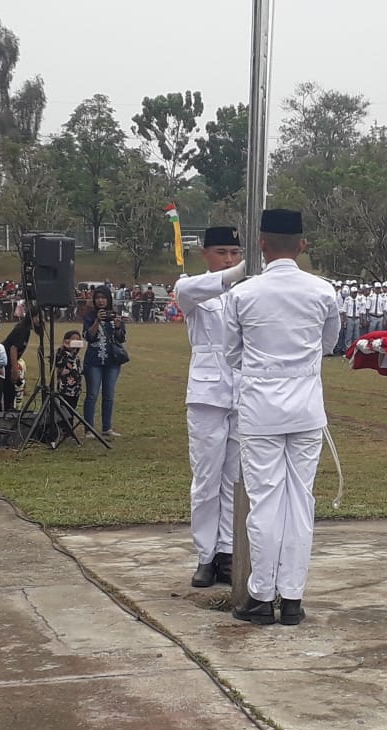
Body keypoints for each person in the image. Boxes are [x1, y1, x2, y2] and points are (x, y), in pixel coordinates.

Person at [223, 209, 340, 625]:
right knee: (300, 501)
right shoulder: (323, 292)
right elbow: (329, 343)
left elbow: (231, 353)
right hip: (306, 407)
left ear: (262, 244)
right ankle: (292, 597)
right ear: (302, 245)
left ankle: (261, 594)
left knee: (266, 503)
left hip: (261, 410)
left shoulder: (243, 294)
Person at [174, 226, 247, 588]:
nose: (230, 259)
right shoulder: (191, 287)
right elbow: (189, 292)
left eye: (235, 252)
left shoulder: (248, 292)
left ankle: (227, 550)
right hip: (206, 393)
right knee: (206, 477)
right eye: (222, 252)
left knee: (234, 477)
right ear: (205, 254)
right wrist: (243, 270)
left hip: (243, 390)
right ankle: (205, 554)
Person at [82, 285, 127, 439]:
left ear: (108, 299)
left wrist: (119, 326)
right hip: (93, 360)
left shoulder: (114, 315)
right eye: (98, 298)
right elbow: (88, 336)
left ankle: (107, 428)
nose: (101, 301)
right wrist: (97, 321)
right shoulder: (89, 316)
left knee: (109, 395)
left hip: (112, 361)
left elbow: (121, 339)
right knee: (92, 394)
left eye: (103, 298)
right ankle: (88, 428)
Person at [1, 306, 42, 413]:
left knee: (11, 387)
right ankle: (6, 410)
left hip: (9, 361)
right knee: (8, 387)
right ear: (31, 317)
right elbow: (13, 348)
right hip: (5, 360)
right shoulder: (22, 329)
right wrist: (14, 369)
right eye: (38, 317)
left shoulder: (27, 330)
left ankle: (9, 408)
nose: (40, 320)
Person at [54, 329, 83, 416]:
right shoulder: (62, 354)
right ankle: (63, 428)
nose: (76, 342)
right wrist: (66, 347)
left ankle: (69, 428)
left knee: (71, 412)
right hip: (65, 390)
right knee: (64, 412)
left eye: (78, 340)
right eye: (73, 339)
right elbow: (59, 364)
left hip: (75, 390)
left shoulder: (76, 357)